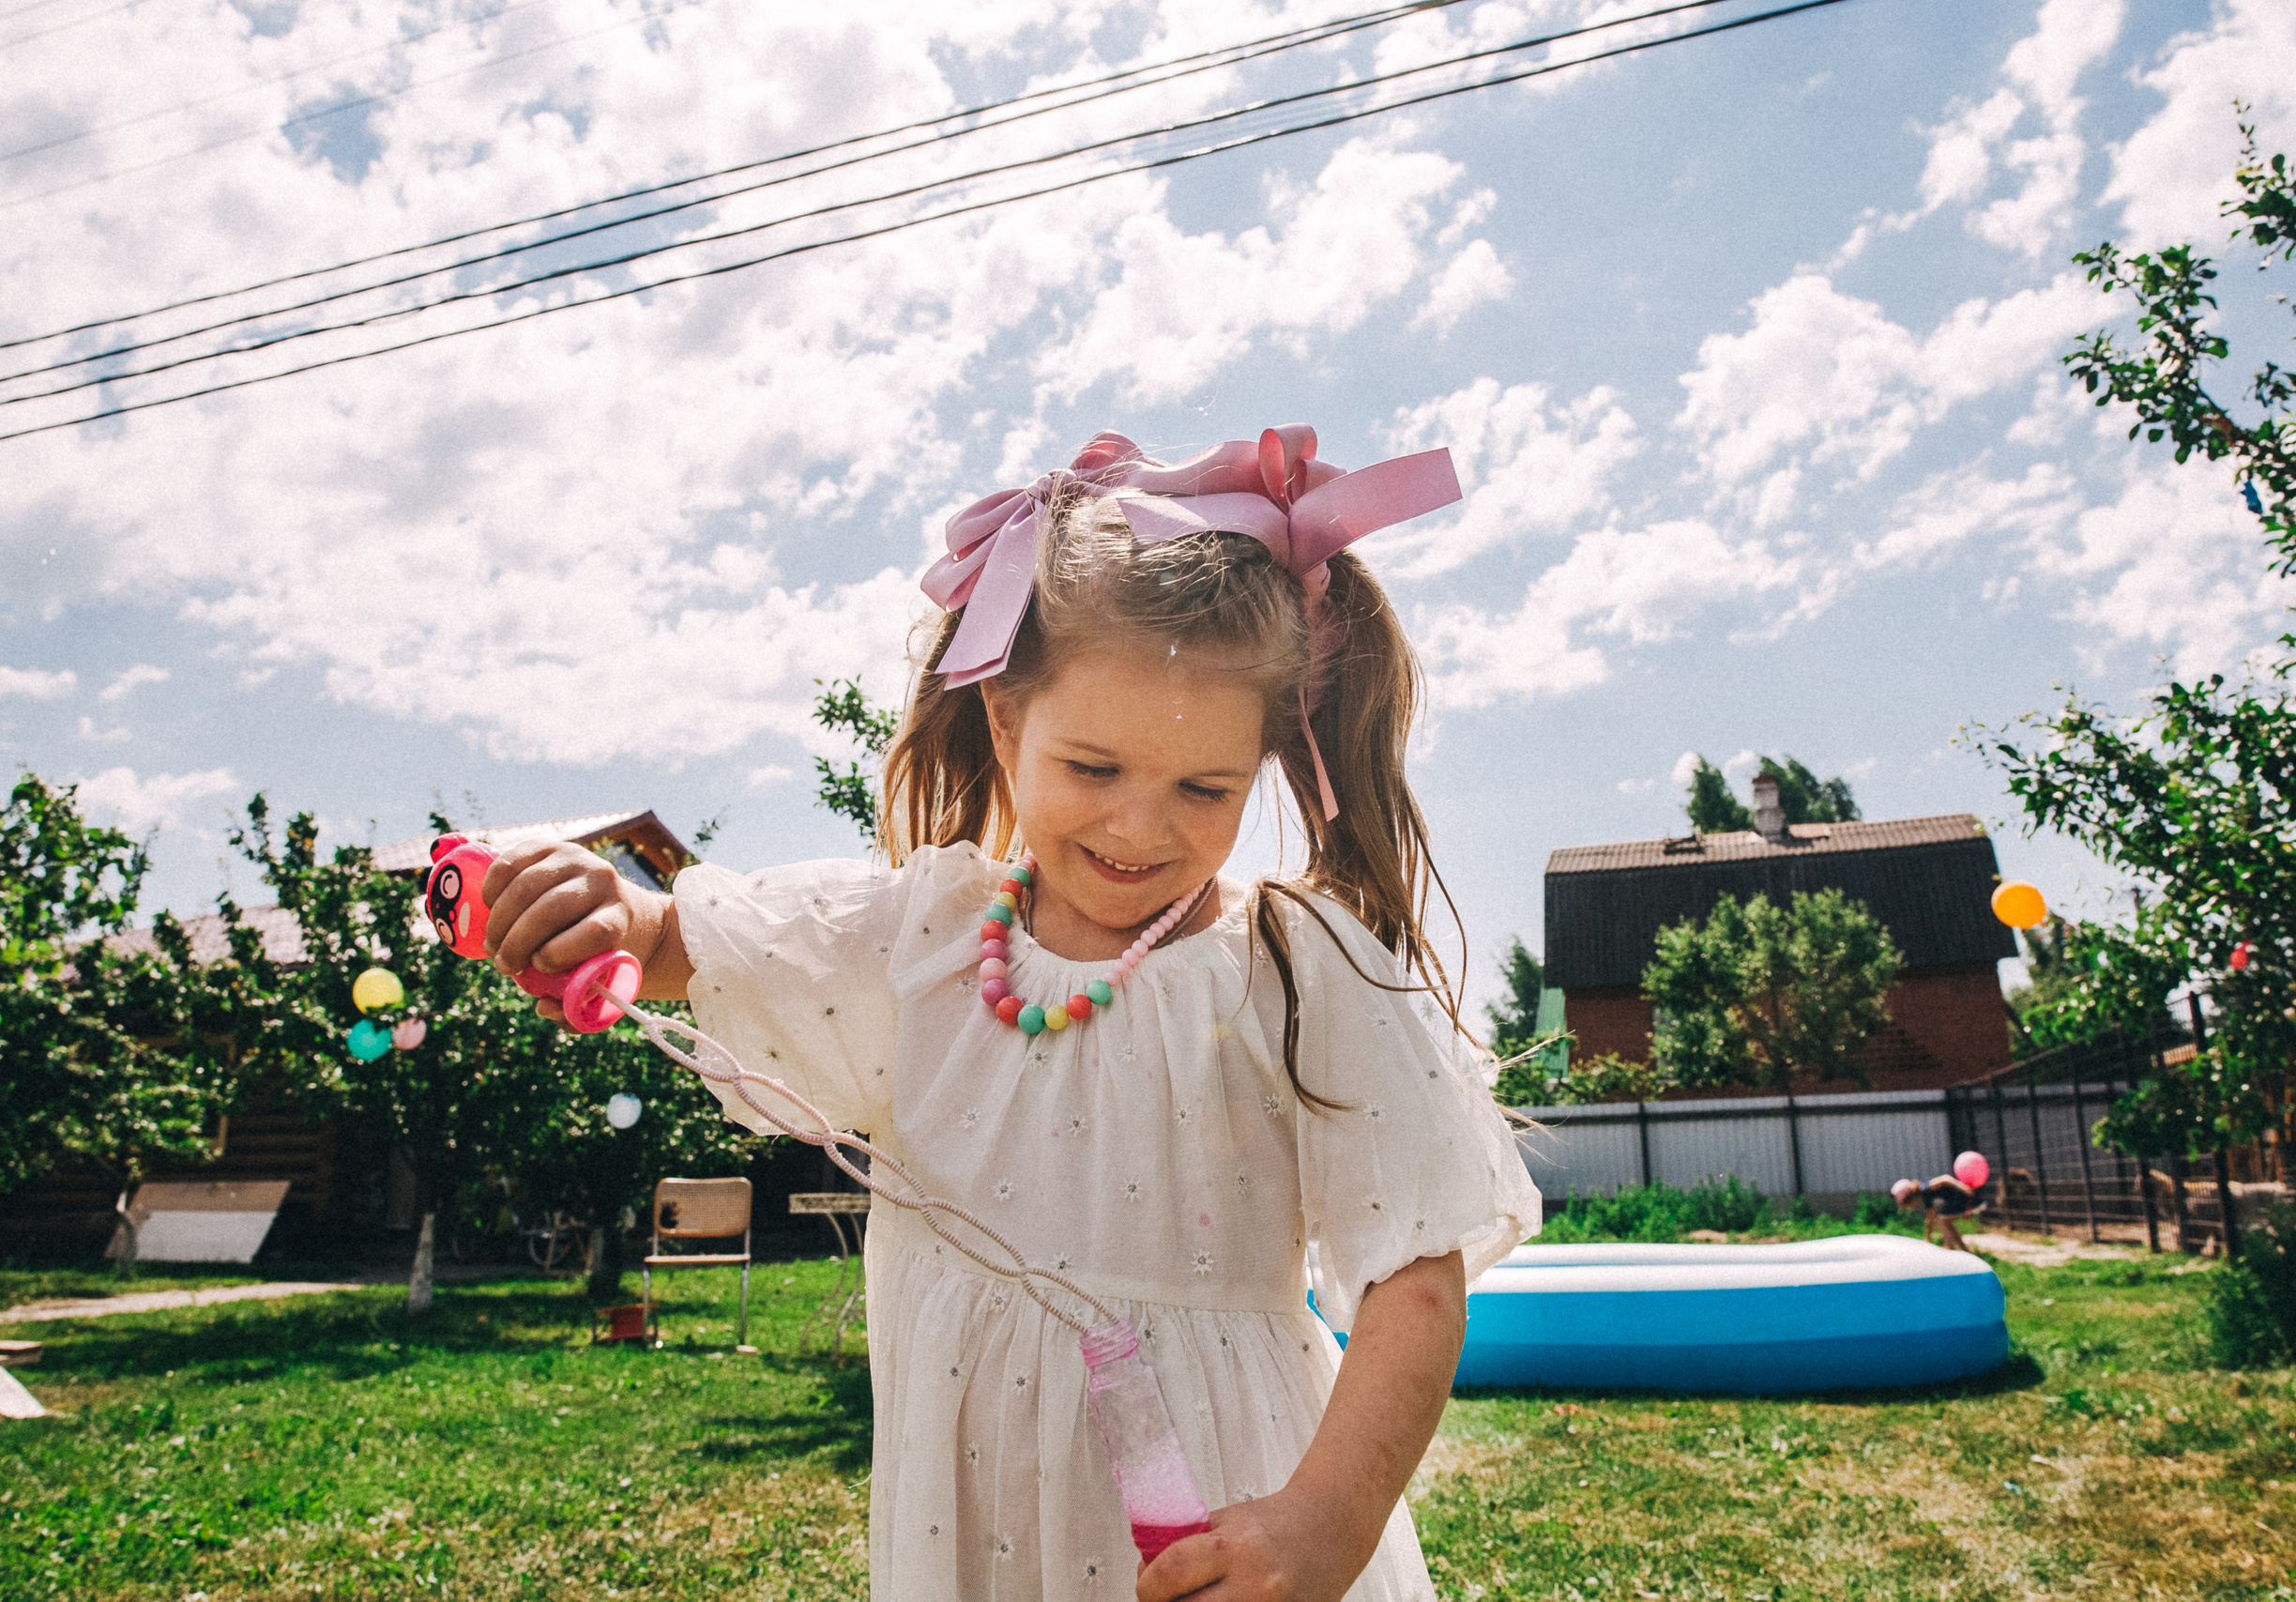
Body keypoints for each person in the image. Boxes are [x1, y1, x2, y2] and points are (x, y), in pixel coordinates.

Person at [477, 426, 1543, 1602]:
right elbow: (675, 941)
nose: (1141, 829)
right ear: (1005, 726)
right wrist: (592, 912)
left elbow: (1417, 1276)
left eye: (1204, 788)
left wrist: (1325, 1521)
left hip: (1233, 1529)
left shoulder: (1294, 966)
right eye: (1093, 769)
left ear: (1264, 767)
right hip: (969, 1545)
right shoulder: (922, 942)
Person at [1892, 1174, 1979, 1252]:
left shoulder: (1925, 1188)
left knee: (1942, 1220)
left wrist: (1962, 1186)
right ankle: (1964, 1250)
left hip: (1962, 1197)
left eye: (1909, 1203)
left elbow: (1945, 1178)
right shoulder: (1924, 1193)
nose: (1913, 1205)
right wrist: (1928, 1238)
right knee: (1946, 1222)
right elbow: (1930, 1218)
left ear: (1910, 1196)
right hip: (1955, 1199)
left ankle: (1950, 1248)